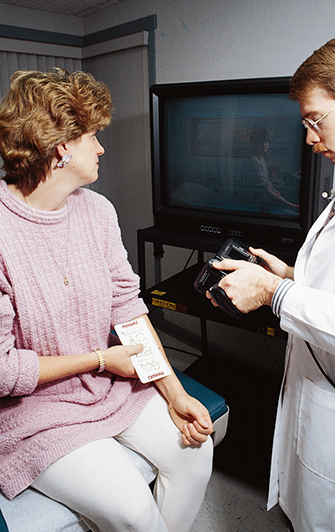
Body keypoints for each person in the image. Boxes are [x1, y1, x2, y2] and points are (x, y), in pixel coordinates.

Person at [0, 68, 213, 532]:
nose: (100, 148)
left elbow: (127, 308)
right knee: (134, 509)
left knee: (196, 455)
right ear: (61, 147)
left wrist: (174, 393)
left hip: (109, 387)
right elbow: (2, 370)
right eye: (93, 136)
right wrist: (101, 359)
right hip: (38, 412)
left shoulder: (97, 211)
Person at [208, 31, 335, 531]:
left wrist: (277, 294)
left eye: (316, 120)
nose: (310, 139)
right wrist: (291, 275)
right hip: (320, 398)